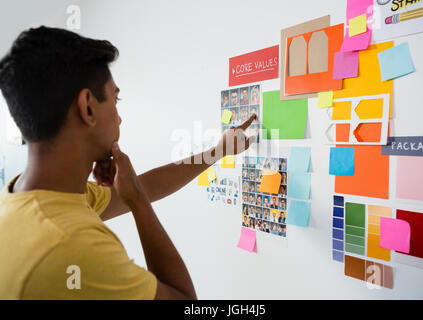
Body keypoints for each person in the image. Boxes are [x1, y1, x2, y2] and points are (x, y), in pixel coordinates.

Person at [0, 26, 258, 300]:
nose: (119, 117)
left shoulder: (25, 199)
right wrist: (137, 200)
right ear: (87, 107)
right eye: (115, 98)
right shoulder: (72, 244)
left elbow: (148, 185)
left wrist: (217, 152)